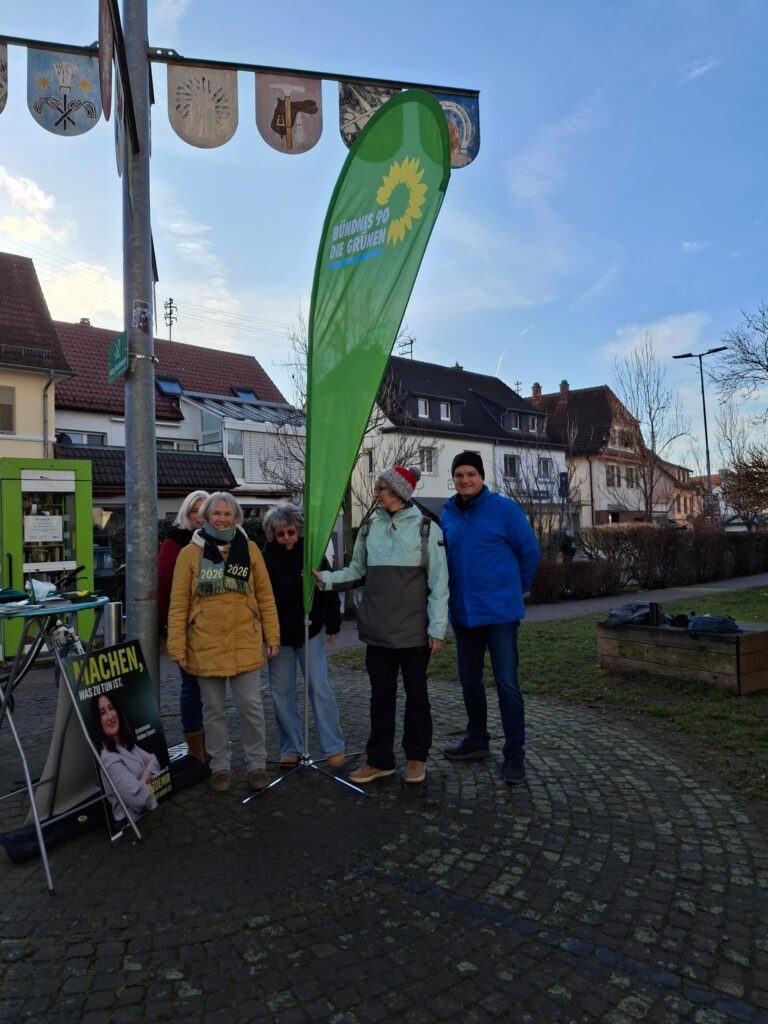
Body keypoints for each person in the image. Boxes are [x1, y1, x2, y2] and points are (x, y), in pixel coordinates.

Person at [314, 466, 449, 785]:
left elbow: (440, 584)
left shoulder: (427, 528)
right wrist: (327, 579)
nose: (377, 493)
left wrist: (437, 628)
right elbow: (356, 570)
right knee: (380, 697)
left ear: (400, 493)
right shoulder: (369, 526)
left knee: (417, 696)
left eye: (382, 488)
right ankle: (380, 760)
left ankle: (416, 758)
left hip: (415, 632)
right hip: (377, 631)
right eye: (377, 488)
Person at [167, 492, 280, 793]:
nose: (222, 518)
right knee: (213, 711)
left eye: (227, 513)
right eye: (216, 513)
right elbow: (178, 604)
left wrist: (273, 635)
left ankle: (257, 765)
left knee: (252, 708)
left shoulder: (251, 549)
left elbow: (266, 596)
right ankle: (220, 767)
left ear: (236, 517)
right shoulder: (189, 553)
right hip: (205, 643)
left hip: (245, 639)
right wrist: (177, 647)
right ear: (205, 516)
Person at [441, 452, 540, 786]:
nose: (465, 480)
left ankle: (515, 755)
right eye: (458, 475)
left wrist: (516, 588)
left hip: (499, 614)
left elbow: (530, 552)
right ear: (452, 479)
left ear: (481, 476)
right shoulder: (448, 513)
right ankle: (477, 740)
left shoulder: (504, 509)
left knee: (507, 685)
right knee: (469, 682)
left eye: (470, 473)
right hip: (464, 615)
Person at [262, 504, 345, 769]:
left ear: (298, 531)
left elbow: (327, 586)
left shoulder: (312, 553)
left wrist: (333, 623)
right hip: (279, 636)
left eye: (291, 532)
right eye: (281, 534)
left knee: (319, 688)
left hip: (310, 630)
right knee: (282, 694)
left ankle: (333, 745)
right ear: (272, 535)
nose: (286, 538)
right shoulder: (266, 558)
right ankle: (291, 747)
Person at [157, 489, 209, 762]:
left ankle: (212, 746)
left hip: (212, 632)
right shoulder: (174, 545)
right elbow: (164, 590)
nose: (200, 517)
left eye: (204, 511)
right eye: (194, 512)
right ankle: (196, 750)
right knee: (192, 689)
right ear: (186, 514)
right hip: (186, 630)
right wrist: (169, 631)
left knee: (211, 690)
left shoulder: (220, 542)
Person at [91, 692, 162, 823]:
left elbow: (154, 760)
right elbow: (140, 799)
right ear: (98, 721)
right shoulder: (108, 759)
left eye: (111, 708)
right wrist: (149, 776)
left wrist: (142, 779)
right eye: (103, 712)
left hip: (150, 816)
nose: (110, 716)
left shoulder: (126, 744)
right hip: (133, 823)